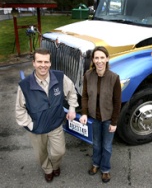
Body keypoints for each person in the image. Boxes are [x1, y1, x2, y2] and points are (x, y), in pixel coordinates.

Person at [15, 48, 79, 183]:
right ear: (34, 63)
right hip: (37, 129)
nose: (43, 65)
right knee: (41, 154)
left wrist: (72, 108)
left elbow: (72, 92)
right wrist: (31, 124)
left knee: (59, 151)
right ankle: (48, 170)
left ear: (50, 63)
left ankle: (55, 165)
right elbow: (20, 110)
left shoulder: (60, 77)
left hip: (55, 124)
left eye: (46, 62)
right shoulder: (24, 85)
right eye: (39, 61)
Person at [79, 46, 121, 183]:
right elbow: (84, 96)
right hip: (94, 118)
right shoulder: (88, 75)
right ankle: (96, 164)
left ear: (107, 59)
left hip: (108, 119)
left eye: (102, 57)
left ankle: (105, 169)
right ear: (93, 60)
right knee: (96, 144)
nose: (99, 61)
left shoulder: (114, 78)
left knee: (107, 146)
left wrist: (114, 122)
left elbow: (117, 102)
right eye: (96, 58)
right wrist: (84, 113)